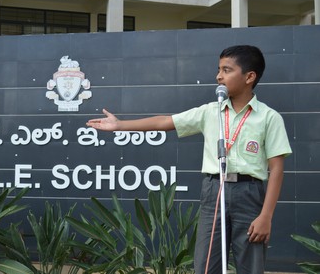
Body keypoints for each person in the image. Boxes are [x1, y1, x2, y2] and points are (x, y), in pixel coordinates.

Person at [86, 45, 292, 274]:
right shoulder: (210, 111)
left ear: (249, 77)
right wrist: (120, 126)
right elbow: (165, 122)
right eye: (218, 69)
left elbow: (277, 169)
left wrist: (266, 216)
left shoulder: (268, 117)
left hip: (250, 194)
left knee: (250, 266)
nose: (218, 76)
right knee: (205, 265)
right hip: (214, 190)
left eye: (227, 70)